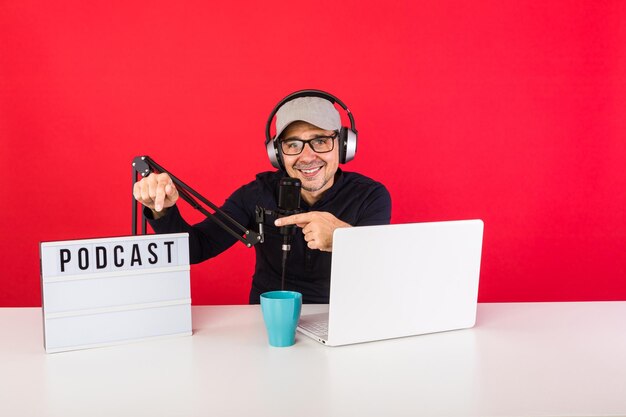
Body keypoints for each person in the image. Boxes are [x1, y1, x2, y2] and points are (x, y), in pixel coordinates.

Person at [133, 90, 391, 303]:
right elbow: (195, 248)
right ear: (277, 154)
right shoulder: (256, 194)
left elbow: (381, 269)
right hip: (266, 321)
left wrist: (340, 238)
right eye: (292, 145)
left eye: (321, 141)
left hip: (341, 316)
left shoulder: (370, 197)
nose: (308, 156)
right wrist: (162, 210)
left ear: (345, 144)